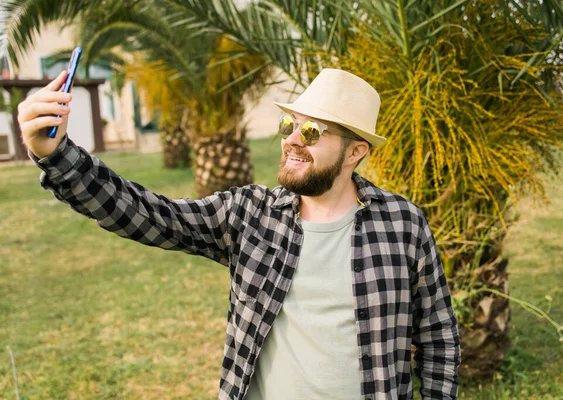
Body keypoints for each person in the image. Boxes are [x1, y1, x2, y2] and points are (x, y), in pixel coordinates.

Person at [18, 68, 460, 399]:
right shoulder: (250, 215)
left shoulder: (403, 224)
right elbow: (149, 215)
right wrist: (56, 155)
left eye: (311, 131)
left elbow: (438, 336)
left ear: (355, 151)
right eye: (289, 125)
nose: (291, 140)